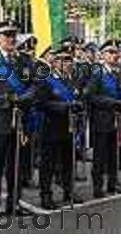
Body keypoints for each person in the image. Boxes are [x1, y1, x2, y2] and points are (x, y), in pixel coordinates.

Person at [0, 20, 39, 222]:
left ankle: (14, 203)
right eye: (6, 35)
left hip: (20, 121)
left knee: (17, 167)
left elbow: (34, 85)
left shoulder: (25, 60)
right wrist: (8, 99)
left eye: (13, 35)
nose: (11, 39)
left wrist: (25, 98)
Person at [83, 39, 121, 198]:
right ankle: (97, 186)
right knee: (100, 156)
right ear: (103, 55)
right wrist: (112, 102)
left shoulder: (119, 72)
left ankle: (112, 182)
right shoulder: (98, 74)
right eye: (110, 52)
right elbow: (90, 95)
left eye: (116, 52)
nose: (114, 55)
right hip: (101, 120)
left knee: (114, 153)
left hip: (116, 119)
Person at [38, 50, 84, 209]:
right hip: (51, 127)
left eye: (70, 60)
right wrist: (65, 106)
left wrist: (78, 107)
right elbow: (42, 104)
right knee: (48, 165)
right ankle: (46, 195)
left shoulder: (71, 80)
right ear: (55, 62)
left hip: (69, 126)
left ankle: (68, 190)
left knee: (68, 162)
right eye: (64, 60)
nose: (68, 64)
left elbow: (77, 97)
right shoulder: (47, 79)